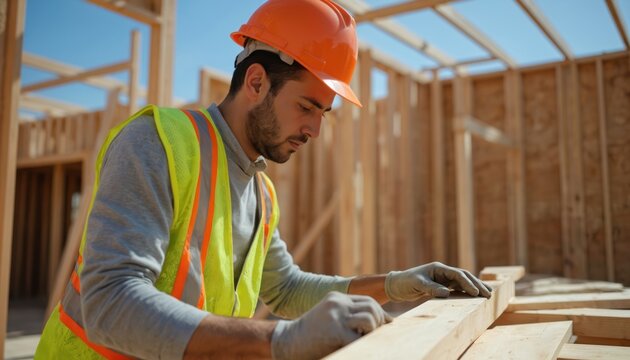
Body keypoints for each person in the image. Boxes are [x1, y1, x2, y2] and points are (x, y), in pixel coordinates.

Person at [35, 1, 492, 359]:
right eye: (307, 107)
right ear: (255, 83)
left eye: (323, 114)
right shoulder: (158, 143)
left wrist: (393, 285)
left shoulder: (261, 192)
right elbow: (109, 301)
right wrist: (278, 343)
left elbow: (286, 289)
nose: (315, 130)